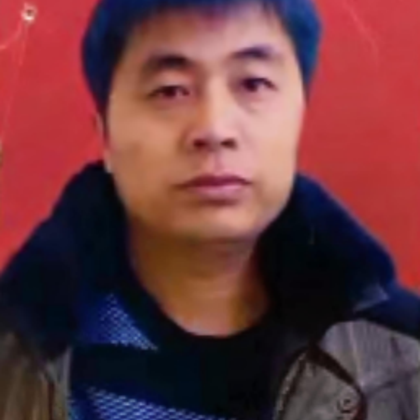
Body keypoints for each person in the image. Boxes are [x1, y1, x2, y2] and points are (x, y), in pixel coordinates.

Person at [0, 0, 419, 419]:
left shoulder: (403, 364)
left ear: (299, 114)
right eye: (170, 90)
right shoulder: (17, 354)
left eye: (253, 84)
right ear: (106, 136)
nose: (215, 128)